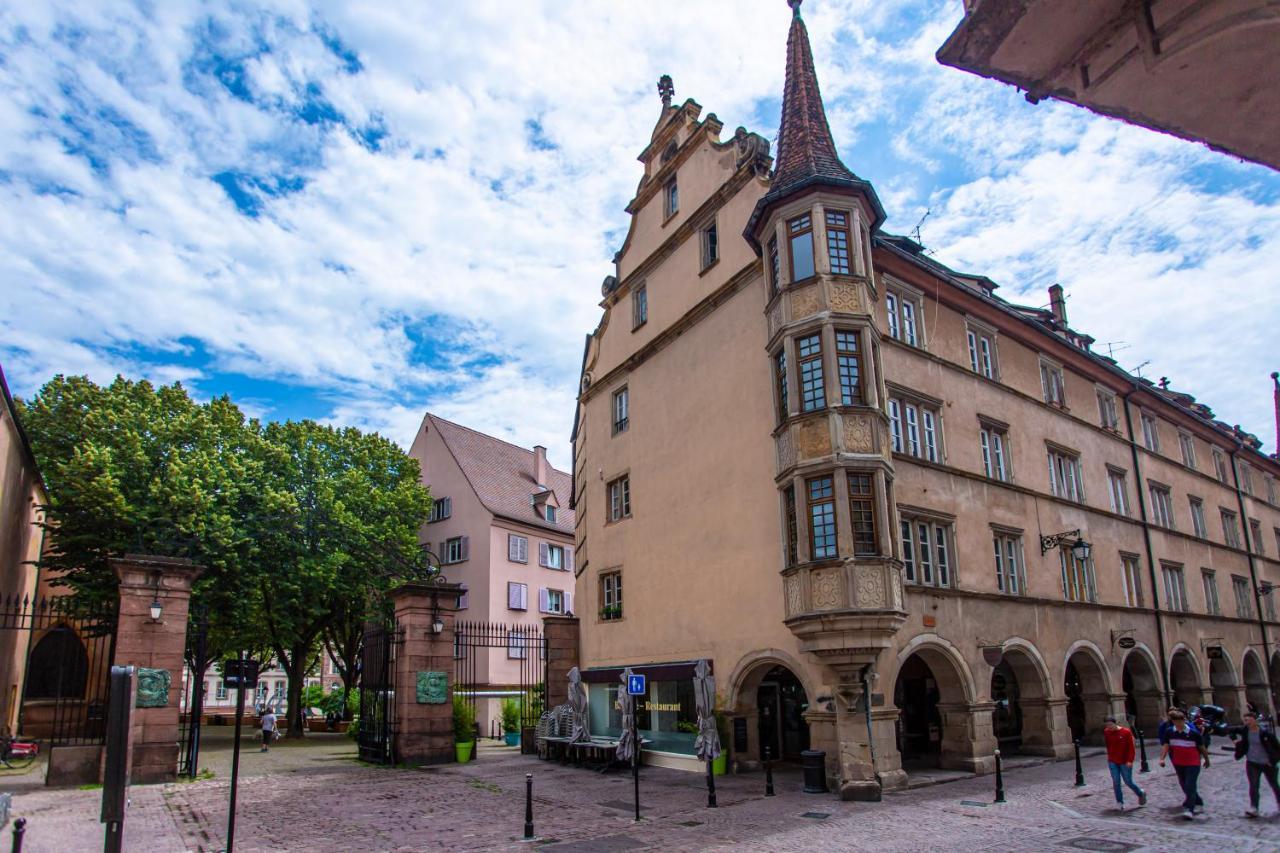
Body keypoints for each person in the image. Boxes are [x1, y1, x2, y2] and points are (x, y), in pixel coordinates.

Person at [1227, 710, 1280, 817]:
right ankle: (1254, 807)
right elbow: (1230, 730)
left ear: (1255, 720)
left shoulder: (1265, 733)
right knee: (1254, 785)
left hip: (1267, 763)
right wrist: (1235, 741)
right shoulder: (1244, 730)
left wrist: (1272, 761)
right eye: (1245, 720)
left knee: (1274, 784)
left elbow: (1277, 748)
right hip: (1252, 762)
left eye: (1249, 720)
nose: (1247, 722)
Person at [1159, 709, 1209, 819]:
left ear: (1184, 720)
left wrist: (1206, 759)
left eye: (1180, 722)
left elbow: (1202, 748)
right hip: (1178, 762)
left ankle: (1189, 809)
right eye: (1175, 722)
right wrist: (1162, 758)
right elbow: (1166, 745)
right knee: (1184, 784)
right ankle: (1198, 801)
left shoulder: (1193, 733)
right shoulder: (1170, 732)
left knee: (1189, 784)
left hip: (1193, 762)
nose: (1178, 724)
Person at [1103, 716, 1146, 810]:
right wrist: (1110, 755)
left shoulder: (1126, 732)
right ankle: (1119, 802)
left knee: (1128, 781)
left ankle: (1140, 793)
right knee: (1116, 781)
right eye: (1107, 725)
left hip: (1125, 761)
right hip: (1112, 760)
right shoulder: (1107, 732)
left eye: (1110, 725)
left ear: (1115, 723)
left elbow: (1131, 747)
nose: (1109, 727)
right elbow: (1108, 745)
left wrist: (1130, 760)